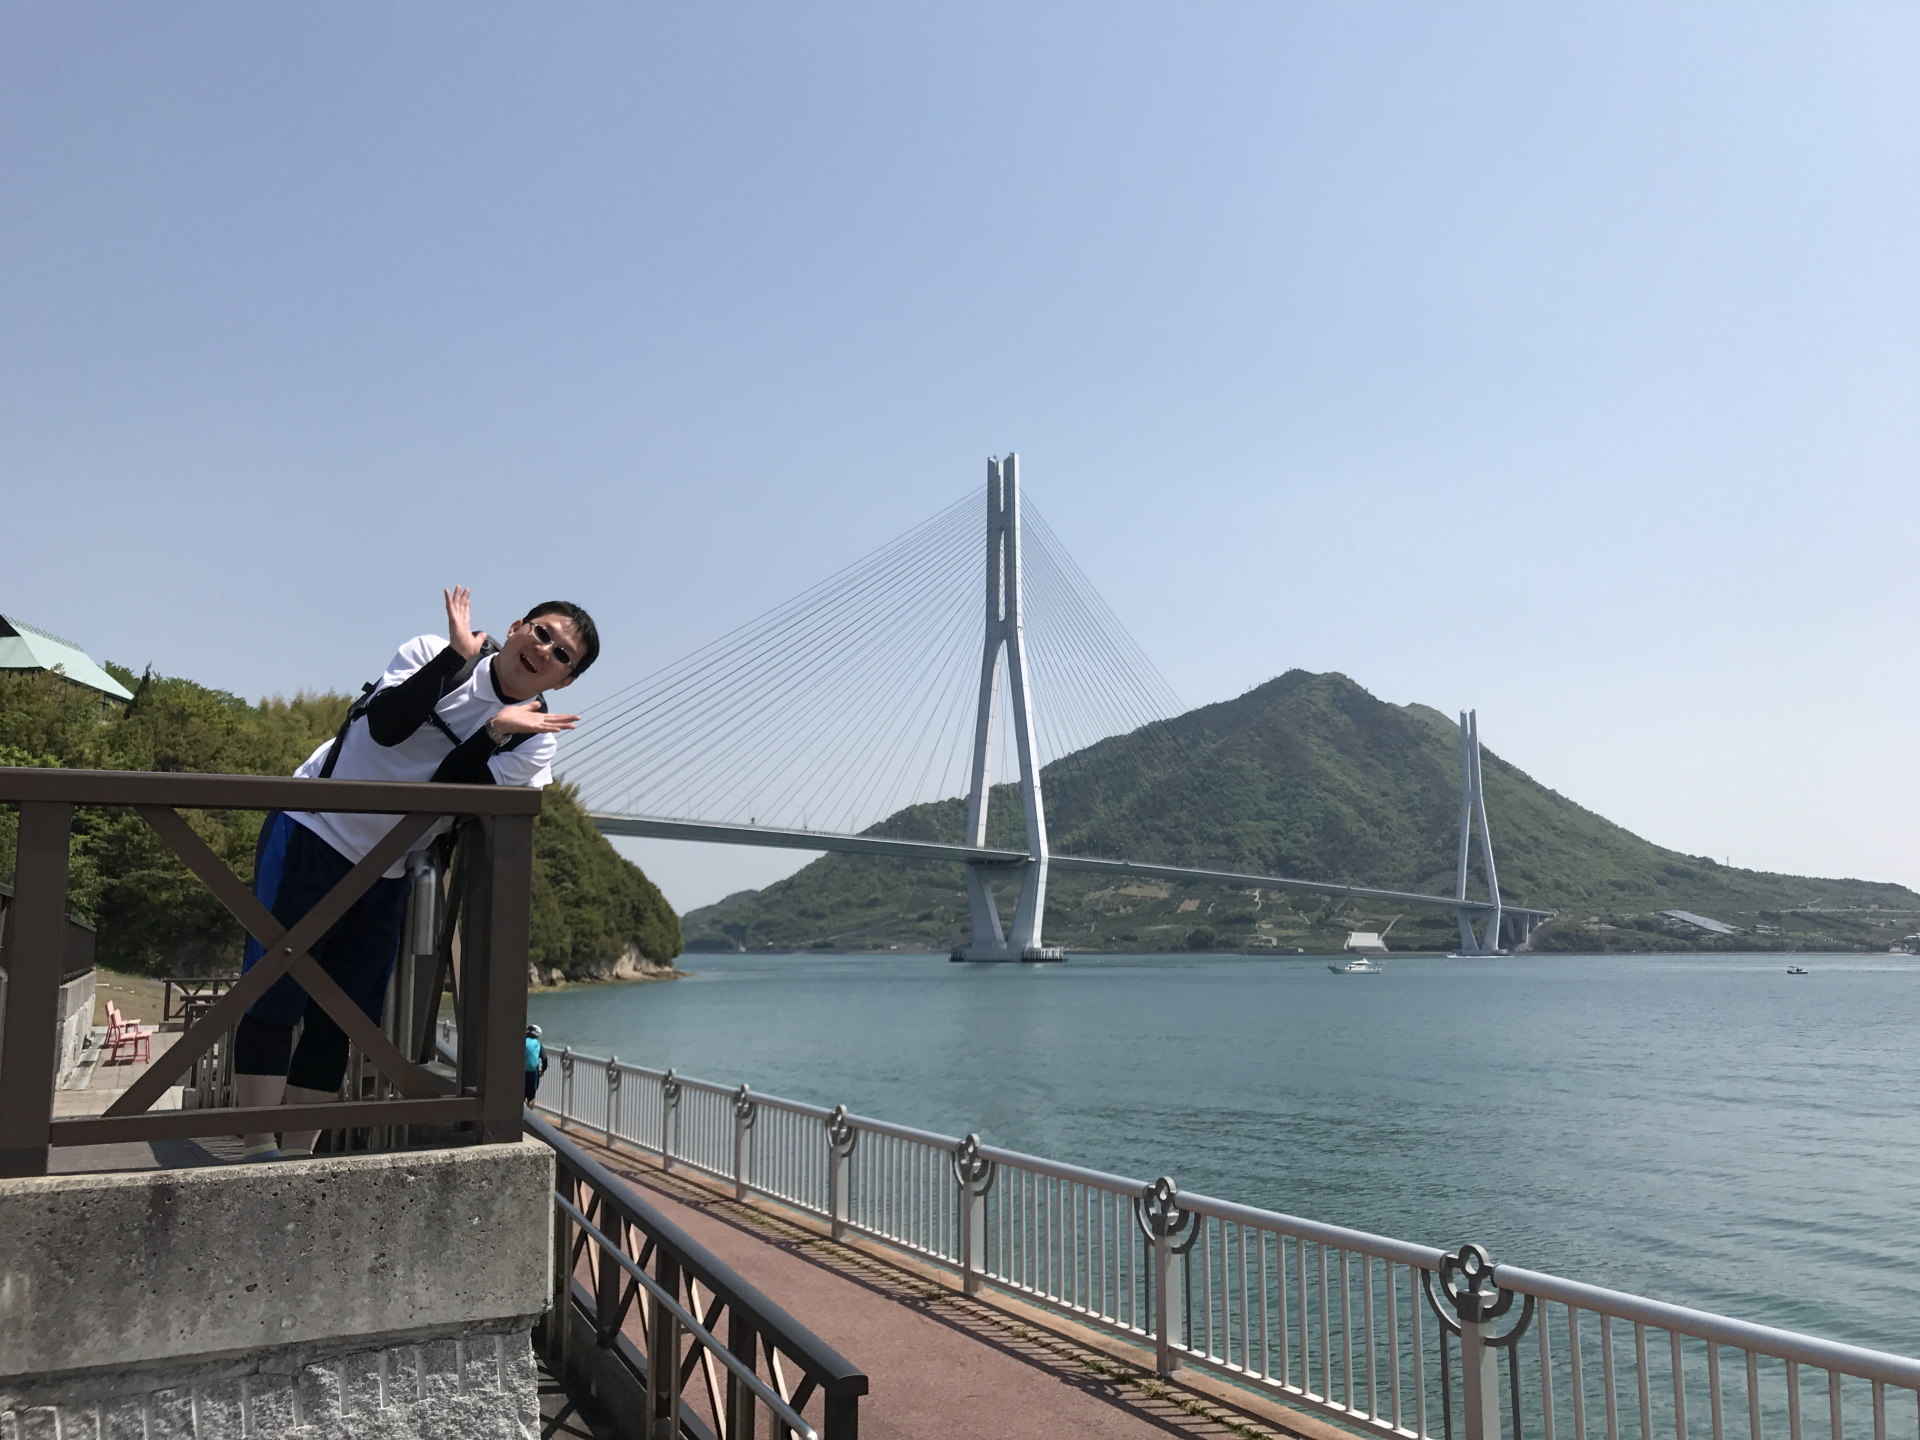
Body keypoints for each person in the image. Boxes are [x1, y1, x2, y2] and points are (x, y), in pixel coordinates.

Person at [233, 588, 598, 1161]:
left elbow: (451, 797)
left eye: (562, 655)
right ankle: (257, 1146)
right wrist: (453, 658)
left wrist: (496, 732)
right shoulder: (432, 651)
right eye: (542, 632)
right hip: (312, 829)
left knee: (339, 1018)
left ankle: (298, 1154)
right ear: (517, 627)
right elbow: (386, 726)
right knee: (273, 992)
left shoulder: (536, 740)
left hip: (388, 870)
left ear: (565, 680)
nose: (544, 649)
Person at [524, 1023, 548, 1105]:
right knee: (531, 1097)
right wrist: (543, 1070)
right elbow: (544, 1058)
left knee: (521, 1094)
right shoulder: (538, 1045)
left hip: (521, 1072)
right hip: (533, 1073)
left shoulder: (521, 1041)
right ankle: (529, 1109)